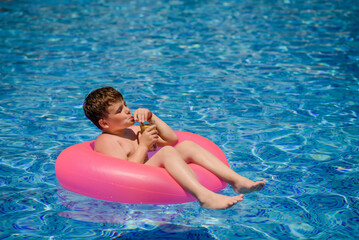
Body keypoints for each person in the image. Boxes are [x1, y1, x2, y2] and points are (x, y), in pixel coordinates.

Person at [83, 86, 265, 209]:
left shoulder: (132, 130)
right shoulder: (107, 141)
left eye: (126, 105)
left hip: (147, 172)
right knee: (168, 153)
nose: (128, 110)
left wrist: (152, 118)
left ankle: (237, 181)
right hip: (135, 183)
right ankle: (205, 197)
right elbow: (123, 174)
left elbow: (171, 139)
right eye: (120, 110)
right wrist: (144, 146)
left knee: (186, 145)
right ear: (104, 123)